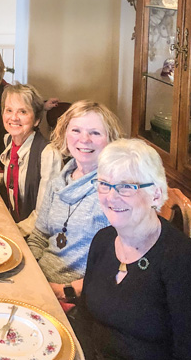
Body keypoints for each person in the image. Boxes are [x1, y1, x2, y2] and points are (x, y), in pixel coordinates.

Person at [79, 138, 191, 360]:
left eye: (126, 186)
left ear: (155, 195)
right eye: (104, 184)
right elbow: (84, 317)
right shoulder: (103, 240)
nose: (111, 197)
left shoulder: (182, 260)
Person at [26, 100, 122, 302]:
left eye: (95, 133)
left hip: (76, 298)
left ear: (110, 140)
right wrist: (31, 273)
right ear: (64, 134)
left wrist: (64, 290)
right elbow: (39, 236)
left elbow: (118, 265)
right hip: (39, 280)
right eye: (76, 130)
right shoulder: (58, 182)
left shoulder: (114, 193)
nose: (84, 139)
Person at [0, 84, 62, 236]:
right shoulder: (9, 140)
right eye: (9, 110)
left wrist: (11, 231)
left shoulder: (48, 154)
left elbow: (44, 213)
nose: (14, 117)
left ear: (36, 120)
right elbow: (18, 182)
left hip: (33, 236)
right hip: (12, 221)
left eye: (22, 111)